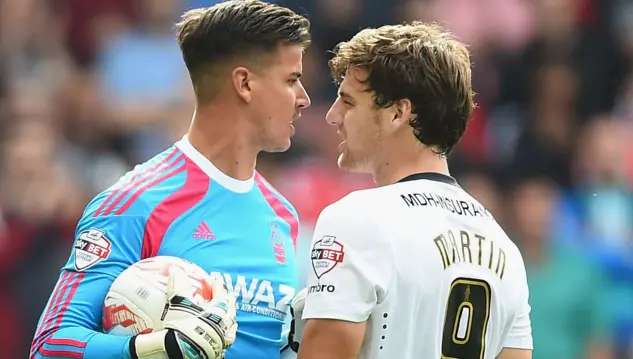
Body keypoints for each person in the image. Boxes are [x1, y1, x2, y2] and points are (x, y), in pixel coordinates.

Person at [30, 1, 311, 358]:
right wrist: (156, 348)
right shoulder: (135, 203)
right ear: (244, 83)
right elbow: (51, 344)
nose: (304, 99)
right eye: (291, 80)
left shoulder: (282, 215)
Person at [290, 22, 533, 359]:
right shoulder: (505, 248)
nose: (333, 116)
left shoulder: (356, 218)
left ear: (398, 113)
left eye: (348, 101)